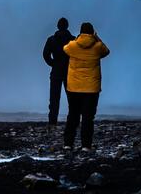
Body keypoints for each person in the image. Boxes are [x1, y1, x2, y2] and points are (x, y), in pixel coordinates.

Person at [63, 22, 110, 151]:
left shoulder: (72, 46)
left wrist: (78, 38)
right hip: (91, 88)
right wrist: (97, 38)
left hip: (74, 87)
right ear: (92, 33)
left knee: (73, 115)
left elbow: (65, 49)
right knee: (88, 117)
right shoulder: (97, 47)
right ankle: (86, 145)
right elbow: (107, 51)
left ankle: (68, 144)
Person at [43, 17, 75, 126]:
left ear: (58, 26)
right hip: (69, 72)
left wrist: (53, 64)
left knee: (54, 100)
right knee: (72, 99)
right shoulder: (73, 40)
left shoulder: (51, 40)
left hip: (56, 72)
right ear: (67, 26)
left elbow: (45, 55)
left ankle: (52, 122)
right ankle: (73, 121)